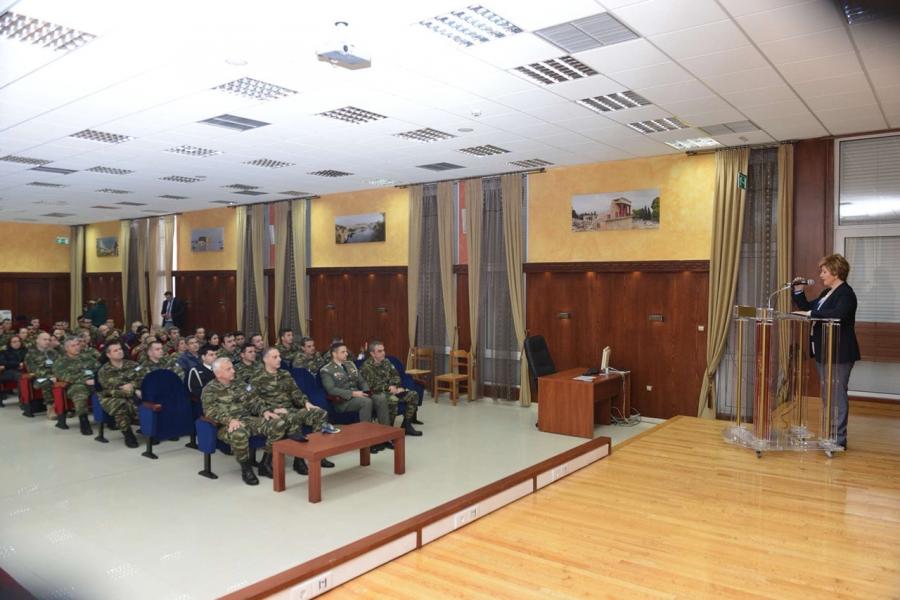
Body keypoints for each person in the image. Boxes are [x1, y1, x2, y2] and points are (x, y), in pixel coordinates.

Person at [792, 253, 860, 451]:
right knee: (827, 395)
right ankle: (830, 435)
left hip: (839, 353)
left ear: (836, 272)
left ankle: (838, 440)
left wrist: (810, 313)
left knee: (836, 396)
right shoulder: (826, 293)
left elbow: (838, 314)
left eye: (824, 271)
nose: (821, 275)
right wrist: (798, 291)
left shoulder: (846, 293)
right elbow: (809, 308)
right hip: (824, 351)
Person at [250, 347, 339, 476]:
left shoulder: (285, 374)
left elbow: (295, 392)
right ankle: (295, 460)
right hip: (273, 413)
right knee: (293, 418)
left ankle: (318, 455)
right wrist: (272, 409)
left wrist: (306, 403)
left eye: (279, 356)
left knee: (320, 413)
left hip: (289, 409)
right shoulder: (257, 377)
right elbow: (253, 400)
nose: (279, 359)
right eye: (275, 357)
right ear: (265, 359)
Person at [201, 358, 288, 485]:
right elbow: (210, 412)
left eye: (232, 367)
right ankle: (246, 469)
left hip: (247, 419)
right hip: (226, 426)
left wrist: (264, 411)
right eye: (229, 369)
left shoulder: (240, 384)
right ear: (218, 373)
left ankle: (265, 463)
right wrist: (229, 420)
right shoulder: (209, 390)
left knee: (278, 423)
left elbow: (253, 401)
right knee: (239, 433)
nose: (233, 371)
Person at [320, 342, 390, 451]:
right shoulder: (326, 370)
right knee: (366, 402)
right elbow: (331, 390)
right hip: (343, 401)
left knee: (381, 398)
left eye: (346, 351)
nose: (346, 354)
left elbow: (361, 381)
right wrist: (353, 393)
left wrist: (367, 391)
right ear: (334, 354)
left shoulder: (350, 364)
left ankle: (386, 437)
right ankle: (367, 441)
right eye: (343, 352)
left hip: (359, 394)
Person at [359, 340, 422, 436]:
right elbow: (373, 385)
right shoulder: (366, 367)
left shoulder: (386, 361)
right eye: (379, 351)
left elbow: (396, 376)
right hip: (378, 393)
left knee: (413, 395)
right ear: (372, 353)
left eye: (383, 350)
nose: (383, 353)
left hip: (392, 390)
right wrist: (389, 388)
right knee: (393, 399)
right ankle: (389, 430)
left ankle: (406, 425)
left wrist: (394, 386)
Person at [97, 341, 141, 447]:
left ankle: (149, 430)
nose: (120, 351)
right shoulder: (104, 371)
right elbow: (108, 390)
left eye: (120, 349)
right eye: (115, 350)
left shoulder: (134, 365)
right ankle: (127, 434)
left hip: (133, 393)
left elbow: (143, 378)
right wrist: (132, 391)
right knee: (121, 405)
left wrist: (132, 385)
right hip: (110, 397)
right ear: (108, 355)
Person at [52, 336, 100, 433]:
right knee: (79, 391)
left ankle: (111, 419)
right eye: (73, 346)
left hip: (93, 382)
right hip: (74, 385)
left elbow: (99, 368)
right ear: (66, 348)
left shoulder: (87, 357)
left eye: (77, 344)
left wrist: (96, 379)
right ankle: (84, 421)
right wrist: (84, 380)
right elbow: (64, 376)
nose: (77, 347)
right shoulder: (61, 361)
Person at [24, 331, 58, 417]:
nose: (47, 341)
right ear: (37, 340)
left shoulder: (53, 352)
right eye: (44, 339)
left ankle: (63, 408)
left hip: (55, 376)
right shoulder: (30, 354)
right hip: (38, 379)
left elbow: (60, 365)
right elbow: (34, 370)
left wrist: (57, 375)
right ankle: (50, 408)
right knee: (47, 383)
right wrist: (50, 376)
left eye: (49, 340)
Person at [0, 335, 27, 405]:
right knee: (20, 376)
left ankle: (28, 399)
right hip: (7, 372)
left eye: (18, 341)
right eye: (14, 342)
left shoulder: (25, 350)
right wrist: (18, 364)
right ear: (10, 343)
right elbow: (4, 363)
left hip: (22, 370)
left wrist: (23, 365)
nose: (17, 343)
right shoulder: (4, 352)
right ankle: (23, 400)